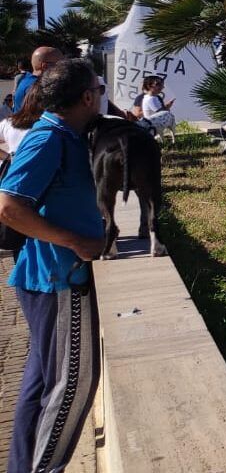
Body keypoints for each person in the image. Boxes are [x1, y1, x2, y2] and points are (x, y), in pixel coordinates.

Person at [0, 59, 105, 472]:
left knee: (42, 382)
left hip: (49, 278)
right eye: (97, 89)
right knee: (72, 385)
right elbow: (9, 208)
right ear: (86, 97)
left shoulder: (65, 135)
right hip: (59, 280)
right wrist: (76, 241)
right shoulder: (48, 138)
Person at [11, 47, 64, 114]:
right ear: (45, 66)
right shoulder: (38, 87)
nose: (63, 68)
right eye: (60, 64)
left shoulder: (26, 80)